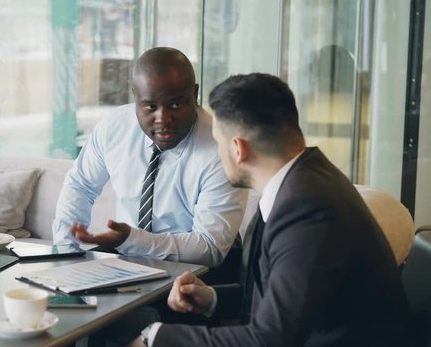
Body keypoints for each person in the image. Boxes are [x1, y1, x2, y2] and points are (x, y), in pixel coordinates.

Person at [134, 73, 412, 346]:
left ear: (238, 149)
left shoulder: (308, 210)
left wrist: (155, 338)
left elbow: (269, 339)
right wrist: (212, 298)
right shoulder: (303, 179)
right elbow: (284, 296)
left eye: (218, 143)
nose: (218, 153)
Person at [52, 47, 247, 268]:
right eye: (150, 107)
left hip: (198, 266)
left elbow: (209, 248)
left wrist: (132, 240)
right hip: (128, 252)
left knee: (132, 303)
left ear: (194, 94)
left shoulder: (220, 150)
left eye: (175, 105)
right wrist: (67, 255)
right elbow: (80, 185)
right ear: (135, 96)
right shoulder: (115, 127)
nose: (163, 119)